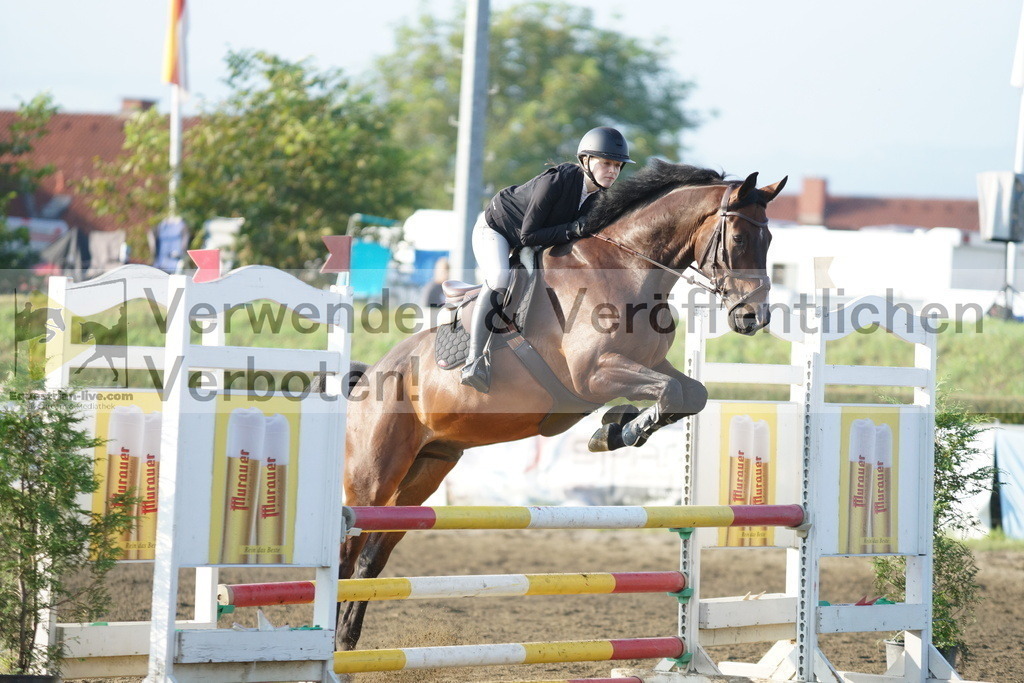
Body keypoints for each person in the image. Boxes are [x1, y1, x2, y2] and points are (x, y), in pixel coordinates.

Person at [461, 126, 634, 392]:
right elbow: (529, 235)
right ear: (586, 161)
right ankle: (473, 360)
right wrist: (572, 229)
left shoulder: (599, 199)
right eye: (606, 163)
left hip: (532, 240)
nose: (613, 170)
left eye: (618, 165)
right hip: (497, 230)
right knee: (499, 278)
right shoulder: (557, 181)